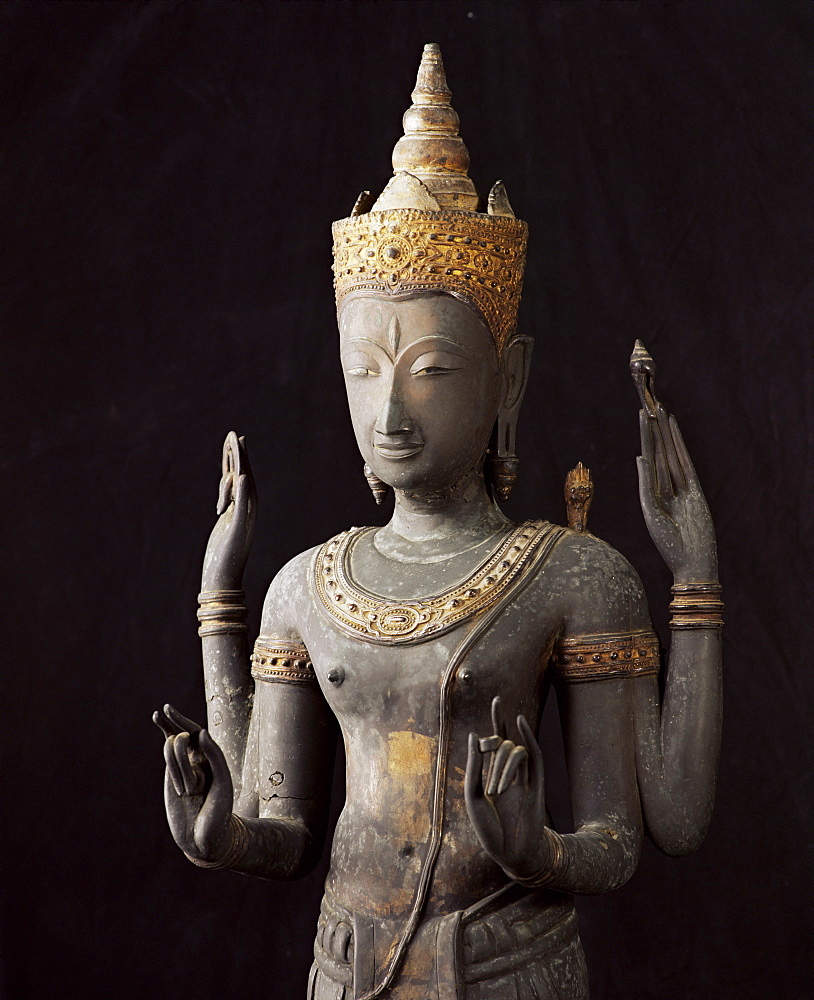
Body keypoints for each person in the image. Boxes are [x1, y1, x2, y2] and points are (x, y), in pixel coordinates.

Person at [154, 44, 723, 1000]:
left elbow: (656, 828)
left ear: (510, 379)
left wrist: (695, 581)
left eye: (431, 370)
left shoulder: (570, 576)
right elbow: (280, 831)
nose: (391, 414)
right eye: (364, 372)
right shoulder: (306, 587)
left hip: (506, 973)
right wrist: (219, 829)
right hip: (346, 970)